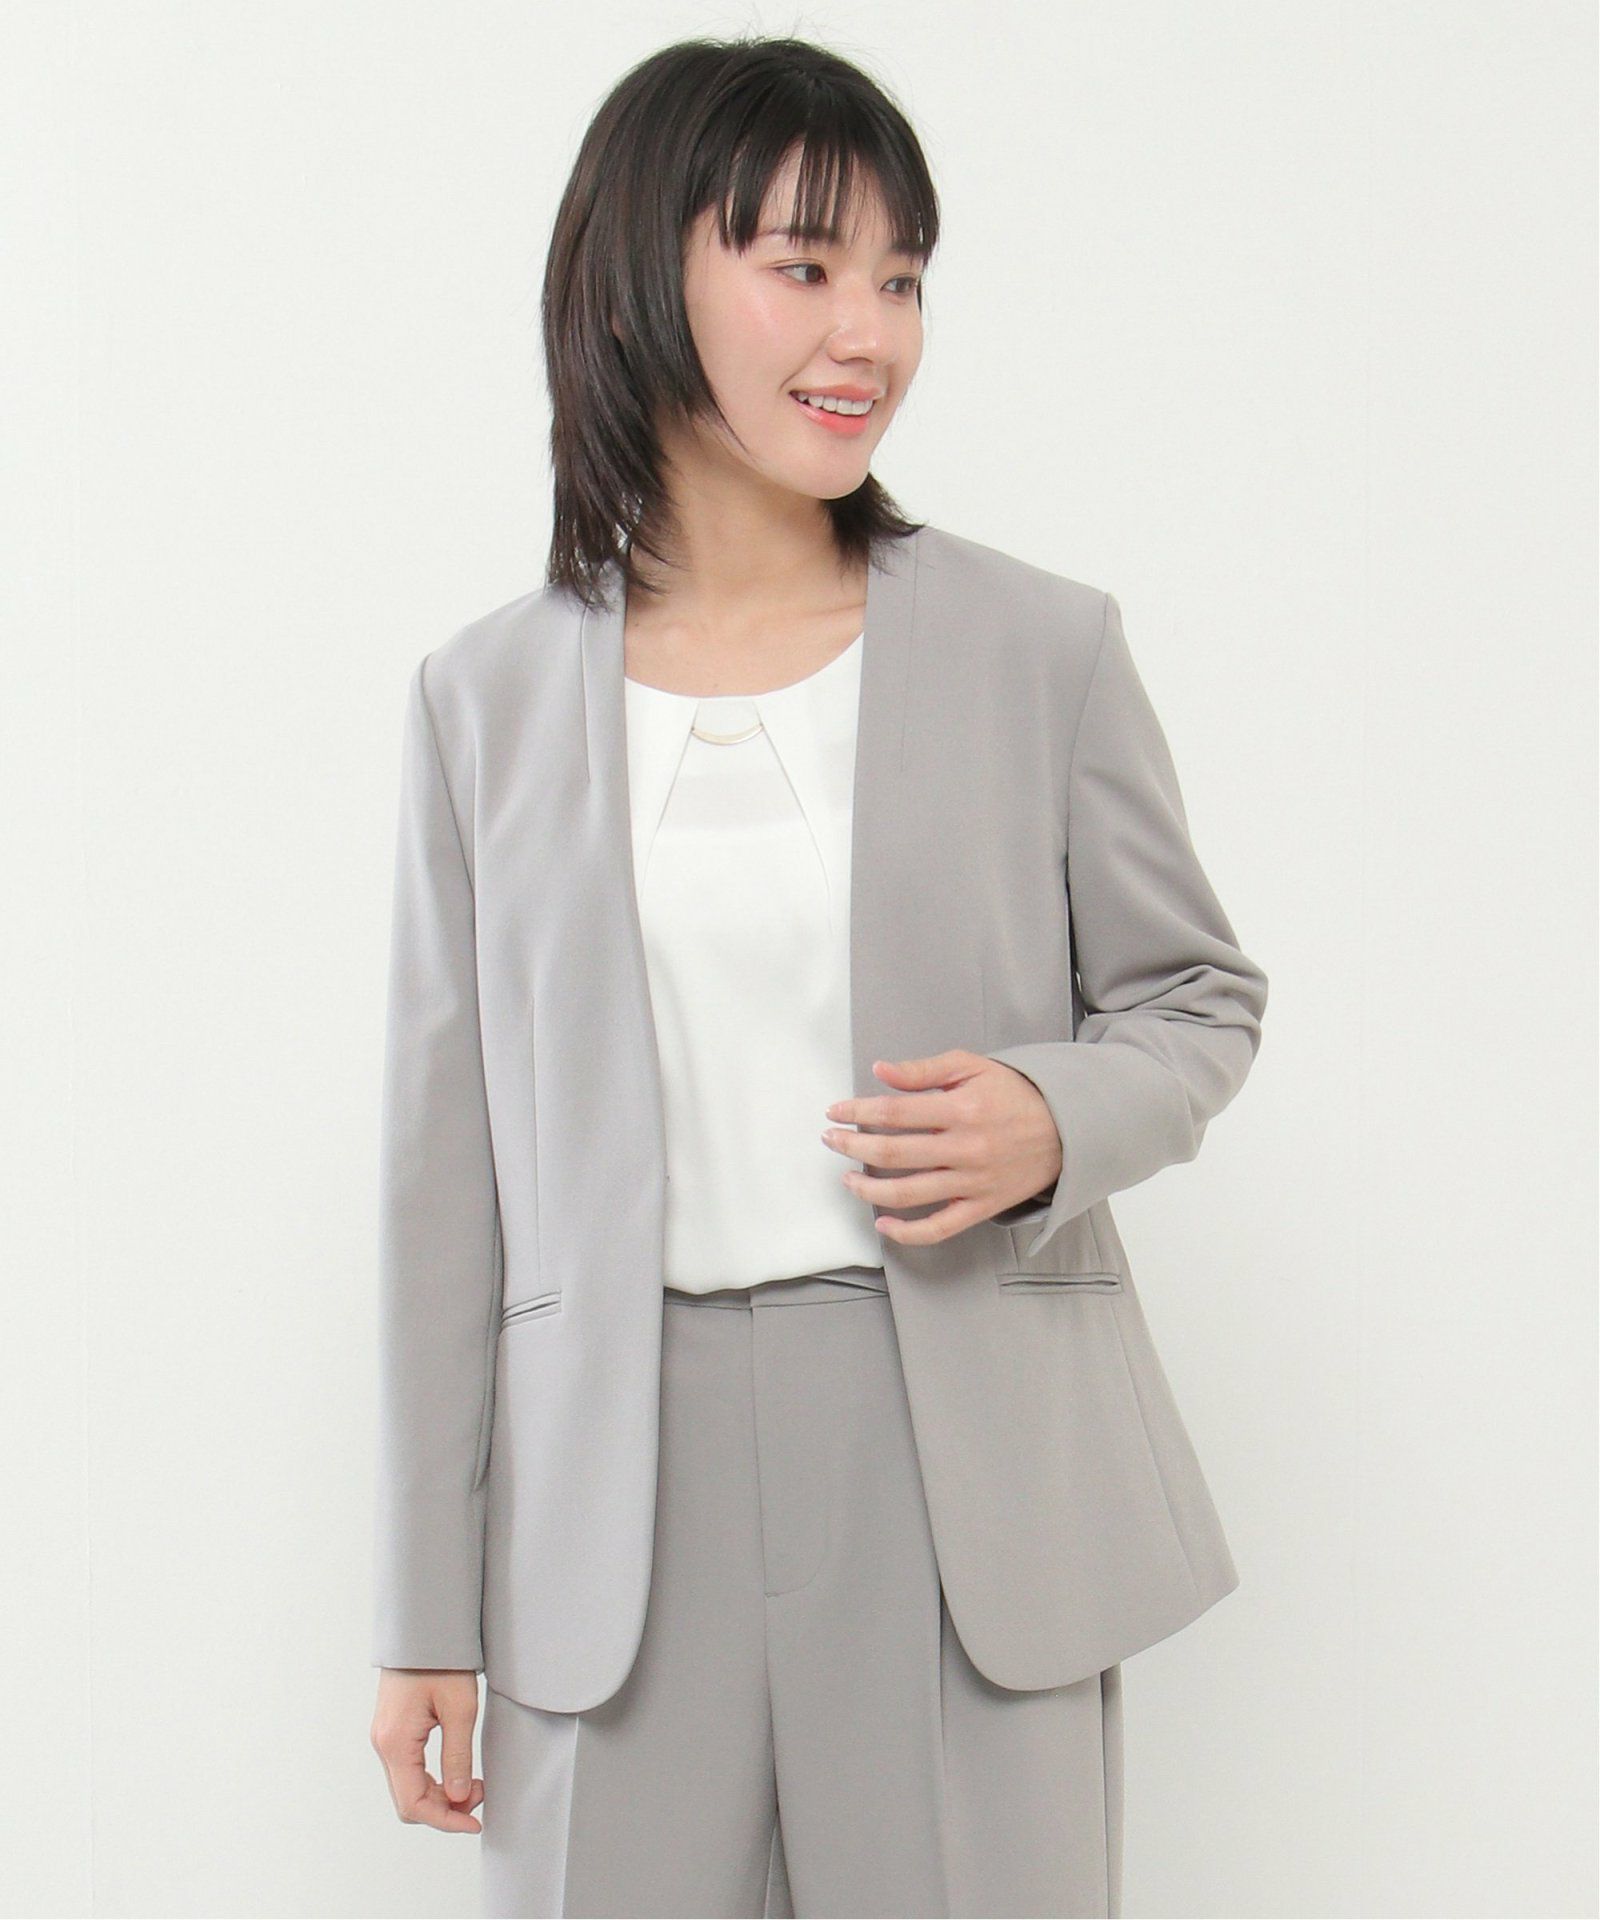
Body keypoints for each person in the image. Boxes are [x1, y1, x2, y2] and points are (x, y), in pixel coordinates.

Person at [368, 33, 1268, 1920]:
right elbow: (449, 1178)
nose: (869, 333)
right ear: (643, 277)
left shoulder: (1038, 646)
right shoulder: (485, 700)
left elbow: (1195, 999)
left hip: (957, 1468)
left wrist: (1050, 1116)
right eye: (805, 267)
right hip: (615, 1499)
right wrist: (424, 1607)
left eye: (902, 278)